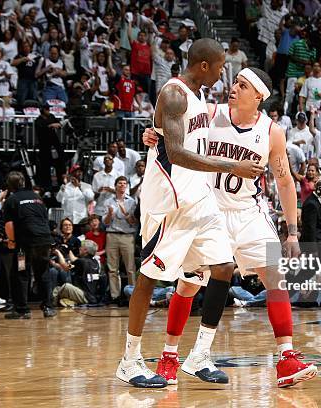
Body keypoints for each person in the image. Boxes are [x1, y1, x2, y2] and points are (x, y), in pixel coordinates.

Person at [143, 67, 316, 387]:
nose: (233, 88)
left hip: (248, 212)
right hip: (208, 211)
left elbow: (285, 181)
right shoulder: (209, 113)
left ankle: (286, 358)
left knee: (275, 276)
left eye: (242, 85)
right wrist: (155, 133)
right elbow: (173, 123)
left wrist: (292, 231)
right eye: (235, 82)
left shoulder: (271, 131)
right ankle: (168, 357)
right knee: (189, 283)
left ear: (259, 97)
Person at [116, 38, 264, 388]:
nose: (221, 73)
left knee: (224, 267)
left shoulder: (200, 98)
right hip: (169, 201)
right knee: (150, 276)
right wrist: (232, 165)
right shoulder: (174, 94)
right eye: (218, 67)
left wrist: (152, 132)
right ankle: (129, 360)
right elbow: (179, 153)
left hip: (199, 198)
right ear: (203, 66)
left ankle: (198, 356)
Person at [2, 171, 56, 319]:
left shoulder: (11, 200)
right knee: (43, 273)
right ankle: (48, 307)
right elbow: (45, 220)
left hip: (24, 245)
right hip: (44, 241)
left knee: (21, 273)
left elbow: (9, 225)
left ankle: (22, 310)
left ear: (10, 185)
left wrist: (12, 241)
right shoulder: (37, 198)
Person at [104, 176, 138, 302]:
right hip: (112, 234)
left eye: (124, 183)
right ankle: (115, 296)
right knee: (113, 268)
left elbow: (133, 222)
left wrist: (125, 213)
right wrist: (109, 214)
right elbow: (106, 223)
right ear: (115, 185)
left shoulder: (131, 201)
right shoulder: (108, 201)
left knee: (130, 267)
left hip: (127, 236)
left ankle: (133, 295)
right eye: (120, 183)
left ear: (127, 186)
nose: (122, 185)